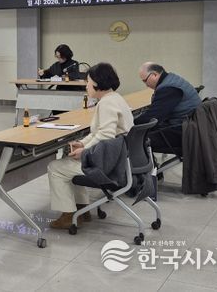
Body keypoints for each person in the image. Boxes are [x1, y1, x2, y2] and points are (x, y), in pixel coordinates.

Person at [47, 63, 134, 229]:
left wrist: (85, 151)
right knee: (69, 162)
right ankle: (82, 209)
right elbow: (98, 133)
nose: (86, 85)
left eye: (88, 81)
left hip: (110, 163)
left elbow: (106, 136)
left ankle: (69, 215)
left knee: (55, 167)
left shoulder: (106, 103)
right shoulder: (116, 98)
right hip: (118, 158)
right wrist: (82, 143)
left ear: (97, 83)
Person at [134, 62, 201, 152]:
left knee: (137, 139)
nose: (146, 85)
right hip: (191, 125)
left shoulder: (168, 89)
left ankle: (148, 162)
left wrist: (131, 124)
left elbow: (154, 118)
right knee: (144, 131)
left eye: (145, 80)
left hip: (185, 131)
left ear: (154, 75)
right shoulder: (172, 79)